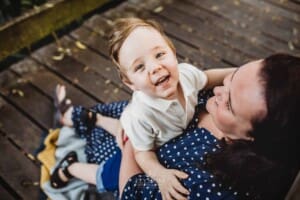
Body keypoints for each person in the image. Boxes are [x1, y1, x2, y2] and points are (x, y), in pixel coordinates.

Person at [50, 17, 234, 198]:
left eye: (160, 54)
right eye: (139, 67)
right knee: (109, 175)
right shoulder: (142, 115)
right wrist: (160, 174)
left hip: (147, 131)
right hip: (145, 145)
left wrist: (238, 73)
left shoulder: (186, 75)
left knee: (126, 129)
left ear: (173, 52)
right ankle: (70, 167)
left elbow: (209, 78)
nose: (155, 67)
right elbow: (142, 153)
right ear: (130, 83)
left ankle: (96, 118)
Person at [120, 53, 300, 200]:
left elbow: (130, 192)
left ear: (253, 140)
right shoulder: (257, 92)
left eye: (229, 104)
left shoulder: (209, 187)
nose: (217, 90)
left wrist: (132, 138)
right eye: (231, 78)